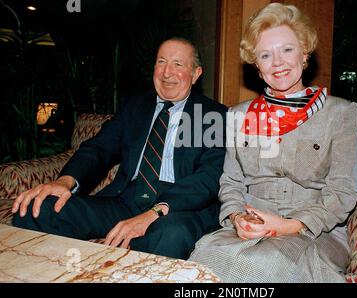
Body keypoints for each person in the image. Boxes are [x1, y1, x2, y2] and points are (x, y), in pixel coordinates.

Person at [189, 3, 357, 282]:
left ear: (304, 53)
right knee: (200, 261)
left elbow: (344, 190)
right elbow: (231, 181)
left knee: (262, 268)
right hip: (250, 229)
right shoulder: (238, 115)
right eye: (266, 55)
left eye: (287, 50)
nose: (278, 62)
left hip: (316, 232)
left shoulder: (339, 113)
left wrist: (289, 225)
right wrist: (236, 218)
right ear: (257, 66)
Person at [12, 37, 228, 260]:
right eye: (161, 62)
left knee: (172, 234)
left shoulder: (213, 115)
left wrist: (154, 212)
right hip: (125, 199)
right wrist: (66, 180)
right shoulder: (134, 106)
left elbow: (210, 177)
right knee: (36, 209)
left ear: (196, 74)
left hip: (178, 207)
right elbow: (99, 148)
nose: (166, 72)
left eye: (178, 64)